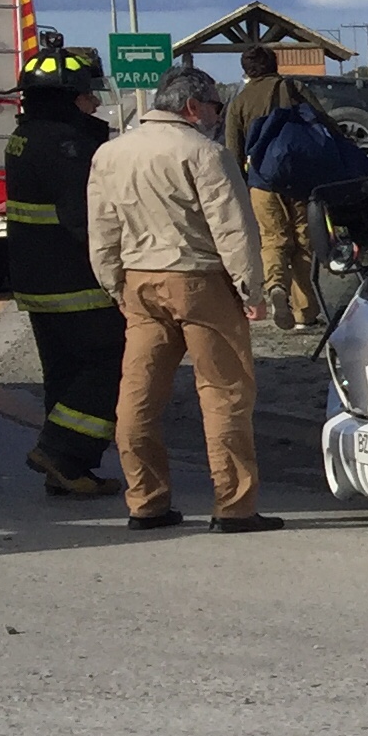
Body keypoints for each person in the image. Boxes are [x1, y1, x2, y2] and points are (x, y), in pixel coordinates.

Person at [87, 63, 278, 534]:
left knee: (137, 397)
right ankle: (233, 507)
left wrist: (115, 285)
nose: (218, 115)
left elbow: (102, 230)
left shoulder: (111, 154)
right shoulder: (206, 154)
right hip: (200, 279)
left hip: (139, 280)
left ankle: (146, 502)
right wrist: (250, 290)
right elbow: (233, 228)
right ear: (194, 107)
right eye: (215, 106)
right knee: (224, 394)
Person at [4, 33, 122, 499]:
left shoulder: (26, 135)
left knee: (64, 372)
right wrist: (117, 266)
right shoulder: (67, 145)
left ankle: (69, 471)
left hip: (37, 279)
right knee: (107, 362)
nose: (94, 102)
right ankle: (60, 449)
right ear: (68, 98)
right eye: (88, 94)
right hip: (75, 281)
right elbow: (83, 220)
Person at [221, 45, 322, 330]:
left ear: (246, 70)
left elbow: (233, 149)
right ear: (275, 64)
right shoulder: (294, 87)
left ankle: (276, 286)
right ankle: (305, 312)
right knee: (303, 241)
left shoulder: (239, 101)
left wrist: (242, 186)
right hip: (300, 177)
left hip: (261, 181)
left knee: (273, 239)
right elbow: (322, 124)